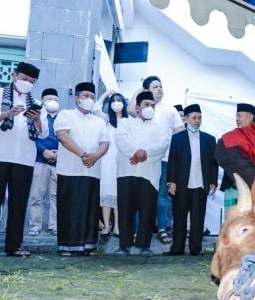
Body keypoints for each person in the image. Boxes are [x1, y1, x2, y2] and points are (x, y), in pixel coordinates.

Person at [0, 61, 48, 258]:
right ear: (14, 76)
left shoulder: (36, 102)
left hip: (24, 159)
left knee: (19, 203)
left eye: (32, 81)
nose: (28, 83)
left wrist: (37, 119)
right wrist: (6, 114)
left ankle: (14, 245)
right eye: (24, 79)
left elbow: (43, 134)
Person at [55, 82, 109, 256]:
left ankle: (89, 245)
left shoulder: (99, 121)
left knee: (90, 209)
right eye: (86, 96)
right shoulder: (66, 114)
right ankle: (66, 246)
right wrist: (83, 154)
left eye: (92, 97)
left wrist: (96, 156)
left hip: (92, 170)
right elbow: (63, 135)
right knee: (69, 208)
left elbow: (105, 142)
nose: (89, 99)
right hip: (70, 170)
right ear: (76, 98)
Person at [114, 91, 169, 256]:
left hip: (149, 174)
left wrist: (144, 154)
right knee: (125, 210)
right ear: (137, 108)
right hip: (126, 172)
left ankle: (144, 245)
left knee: (147, 211)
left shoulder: (160, 127)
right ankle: (124, 245)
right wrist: (135, 152)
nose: (149, 108)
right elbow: (122, 140)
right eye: (146, 105)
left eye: (152, 105)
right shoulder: (125, 123)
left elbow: (162, 146)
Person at [132, 76, 184, 245]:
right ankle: (140, 229)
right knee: (141, 194)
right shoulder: (140, 110)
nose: (160, 89)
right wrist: (140, 93)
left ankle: (161, 228)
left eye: (161, 86)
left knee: (162, 195)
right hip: (144, 160)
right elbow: (129, 110)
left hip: (165, 158)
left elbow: (179, 133)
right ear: (146, 90)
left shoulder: (170, 110)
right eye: (155, 87)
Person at [165, 104, 217, 256]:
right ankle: (177, 248)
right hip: (182, 183)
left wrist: (213, 180)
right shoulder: (177, 139)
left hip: (201, 184)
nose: (197, 121)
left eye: (199, 117)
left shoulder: (209, 139)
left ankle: (196, 249)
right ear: (186, 119)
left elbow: (213, 163)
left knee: (197, 218)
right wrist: (171, 181)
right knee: (179, 217)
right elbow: (172, 161)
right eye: (194, 118)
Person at [93, 90, 128, 242]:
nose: (116, 102)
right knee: (106, 193)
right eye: (114, 100)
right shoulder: (106, 119)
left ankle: (118, 226)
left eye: (119, 100)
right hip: (107, 160)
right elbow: (95, 109)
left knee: (119, 194)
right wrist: (107, 94)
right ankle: (106, 226)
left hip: (123, 161)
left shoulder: (129, 121)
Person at [28, 88, 60, 237]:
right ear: (42, 101)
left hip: (59, 162)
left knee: (56, 196)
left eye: (55, 99)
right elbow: (31, 138)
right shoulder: (37, 117)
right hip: (40, 160)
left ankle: (54, 226)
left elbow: (68, 138)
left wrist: (60, 153)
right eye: (48, 99)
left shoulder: (63, 118)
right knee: (36, 195)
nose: (52, 102)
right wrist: (44, 151)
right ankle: (35, 225)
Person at [220, 103, 255, 211]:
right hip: (232, 185)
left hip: (251, 186)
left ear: (250, 117)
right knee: (231, 218)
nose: (236, 119)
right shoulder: (231, 136)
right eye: (236, 116)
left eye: (239, 116)